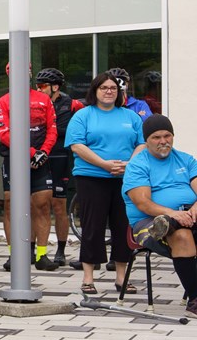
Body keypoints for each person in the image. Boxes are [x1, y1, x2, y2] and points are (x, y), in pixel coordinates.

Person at [65, 73, 145, 295]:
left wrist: (129, 164)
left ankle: (121, 278)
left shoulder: (131, 116)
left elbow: (142, 144)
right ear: (95, 91)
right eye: (104, 87)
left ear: (119, 92)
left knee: (123, 227)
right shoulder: (83, 115)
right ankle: (88, 278)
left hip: (125, 179)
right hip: (91, 177)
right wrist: (104, 164)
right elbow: (76, 145)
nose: (109, 91)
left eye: (113, 88)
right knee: (93, 227)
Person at [122, 115, 197, 315]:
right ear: (146, 140)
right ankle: (195, 300)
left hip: (188, 215)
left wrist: (195, 207)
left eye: (167, 136)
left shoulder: (186, 159)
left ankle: (172, 223)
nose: (163, 141)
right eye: (156, 137)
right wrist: (173, 214)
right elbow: (143, 203)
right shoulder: (137, 165)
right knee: (181, 235)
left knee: (182, 225)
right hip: (147, 222)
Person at [0, 64, 59, 272]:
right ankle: (14, 254)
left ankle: (41, 255)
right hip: (14, 159)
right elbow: (5, 134)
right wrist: (33, 153)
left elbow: (52, 129)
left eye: (26, 71)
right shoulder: (3, 101)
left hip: (41, 159)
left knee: (42, 204)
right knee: (11, 205)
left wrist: (44, 152)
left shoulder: (44, 99)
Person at [36, 68, 83, 266]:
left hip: (61, 158)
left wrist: (51, 129)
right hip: (40, 157)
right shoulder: (34, 103)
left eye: (43, 86)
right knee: (37, 205)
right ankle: (34, 250)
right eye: (37, 86)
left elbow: (76, 130)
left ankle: (61, 251)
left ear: (55, 87)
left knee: (58, 206)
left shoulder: (72, 104)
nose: (39, 89)